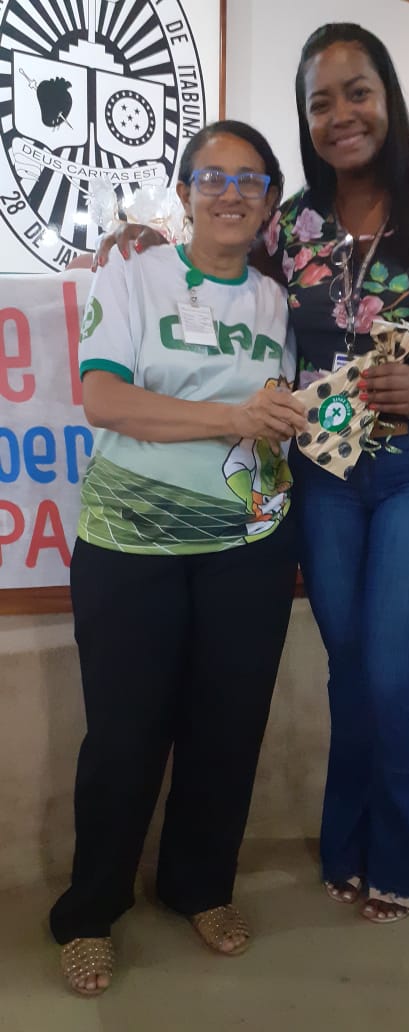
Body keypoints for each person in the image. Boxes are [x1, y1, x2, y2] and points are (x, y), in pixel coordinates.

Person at [97, 23, 409, 925]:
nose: (340, 115)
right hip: (325, 478)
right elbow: (214, 260)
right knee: (349, 666)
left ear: (386, 96)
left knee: (394, 673)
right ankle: (348, 847)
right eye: (319, 102)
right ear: (305, 120)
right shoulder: (292, 225)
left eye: (355, 92)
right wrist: (147, 237)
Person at [50, 119, 306, 996]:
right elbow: (104, 398)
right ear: (186, 190)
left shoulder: (278, 301)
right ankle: (89, 912)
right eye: (211, 176)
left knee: (227, 728)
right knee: (123, 737)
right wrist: (233, 417)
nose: (230, 192)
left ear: (270, 200)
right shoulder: (132, 272)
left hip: (251, 546)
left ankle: (198, 886)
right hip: (131, 544)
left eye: (249, 178)